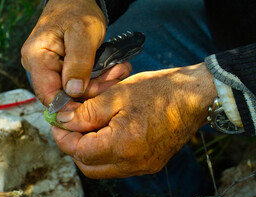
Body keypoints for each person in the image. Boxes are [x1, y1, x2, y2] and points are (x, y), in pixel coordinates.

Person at [21, 0, 256, 179]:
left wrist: (213, 91)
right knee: (56, 60)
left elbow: (207, 90)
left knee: (128, 120)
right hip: (230, 23)